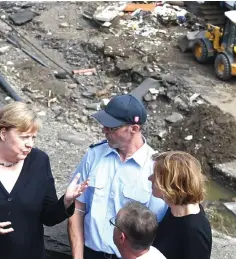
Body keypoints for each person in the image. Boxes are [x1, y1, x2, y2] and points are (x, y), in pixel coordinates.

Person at [0, 102, 89, 259]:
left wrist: (66, 202)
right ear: (3, 134)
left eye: (33, 137)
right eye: (24, 137)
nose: (30, 144)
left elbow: (48, 217)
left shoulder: (39, 161)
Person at [67, 94, 168, 259]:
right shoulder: (94, 155)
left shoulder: (154, 168)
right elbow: (77, 209)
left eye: (111, 128)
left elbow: (154, 229)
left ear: (134, 129)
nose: (104, 130)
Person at [149, 151, 212, 259]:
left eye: (156, 176)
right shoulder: (174, 210)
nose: (150, 178)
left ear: (171, 183)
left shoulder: (193, 232)